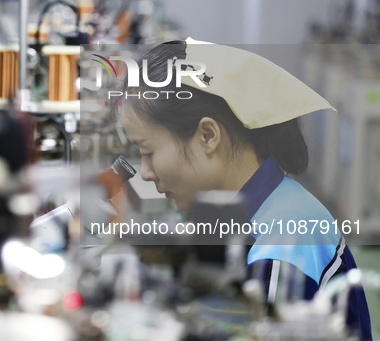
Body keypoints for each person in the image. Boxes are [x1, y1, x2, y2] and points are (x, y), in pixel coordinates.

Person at [114, 39, 372, 340]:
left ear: (208, 135)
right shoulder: (252, 207)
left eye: (147, 152)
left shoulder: (283, 245)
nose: (145, 173)